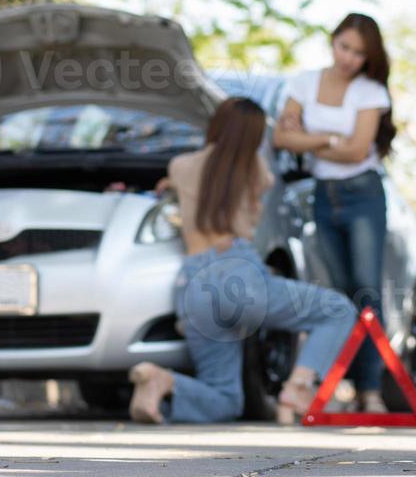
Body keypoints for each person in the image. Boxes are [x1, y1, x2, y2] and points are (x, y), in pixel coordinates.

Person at [128, 97, 356, 425]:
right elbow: (265, 187)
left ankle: (163, 381)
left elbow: (175, 187)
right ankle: (299, 387)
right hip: (237, 272)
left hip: (194, 284)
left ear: (217, 125)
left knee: (225, 398)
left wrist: (170, 188)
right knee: (337, 310)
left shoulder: (180, 166)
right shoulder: (254, 168)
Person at [273, 13, 398, 414]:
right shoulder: (303, 82)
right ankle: (341, 385)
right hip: (324, 196)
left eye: (359, 53)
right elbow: (280, 136)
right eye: (344, 47)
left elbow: (357, 151)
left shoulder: (370, 90)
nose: (349, 58)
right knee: (340, 295)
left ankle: (370, 388)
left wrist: (306, 140)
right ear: (333, 41)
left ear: (369, 57)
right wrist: (329, 138)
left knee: (366, 289)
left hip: (363, 194)